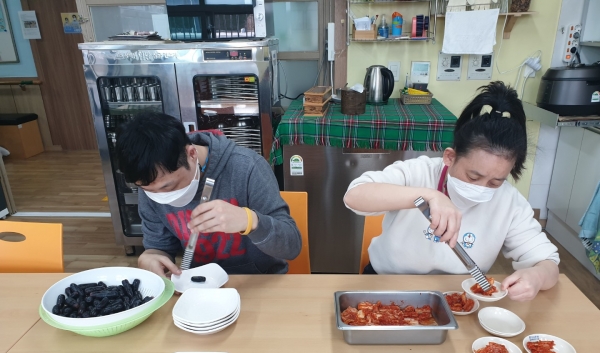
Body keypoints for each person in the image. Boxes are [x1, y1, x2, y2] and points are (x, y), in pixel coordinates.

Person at [344, 81, 559, 301]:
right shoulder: (419, 172)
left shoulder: (509, 202)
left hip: (459, 296)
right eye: (473, 177)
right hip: (388, 284)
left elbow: (548, 263)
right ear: (450, 157)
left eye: (495, 182)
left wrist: (536, 277)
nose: (481, 188)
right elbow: (355, 196)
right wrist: (430, 196)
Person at [115, 112, 302, 276]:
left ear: (192, 154)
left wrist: (249, 221)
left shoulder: (247, 167)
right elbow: (160, 247)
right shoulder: (150, 183)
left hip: (261, 281)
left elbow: (292, 246)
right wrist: (151, 257)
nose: (161, 196)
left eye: (168, 187)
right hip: (201, 286)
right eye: (149, 190)